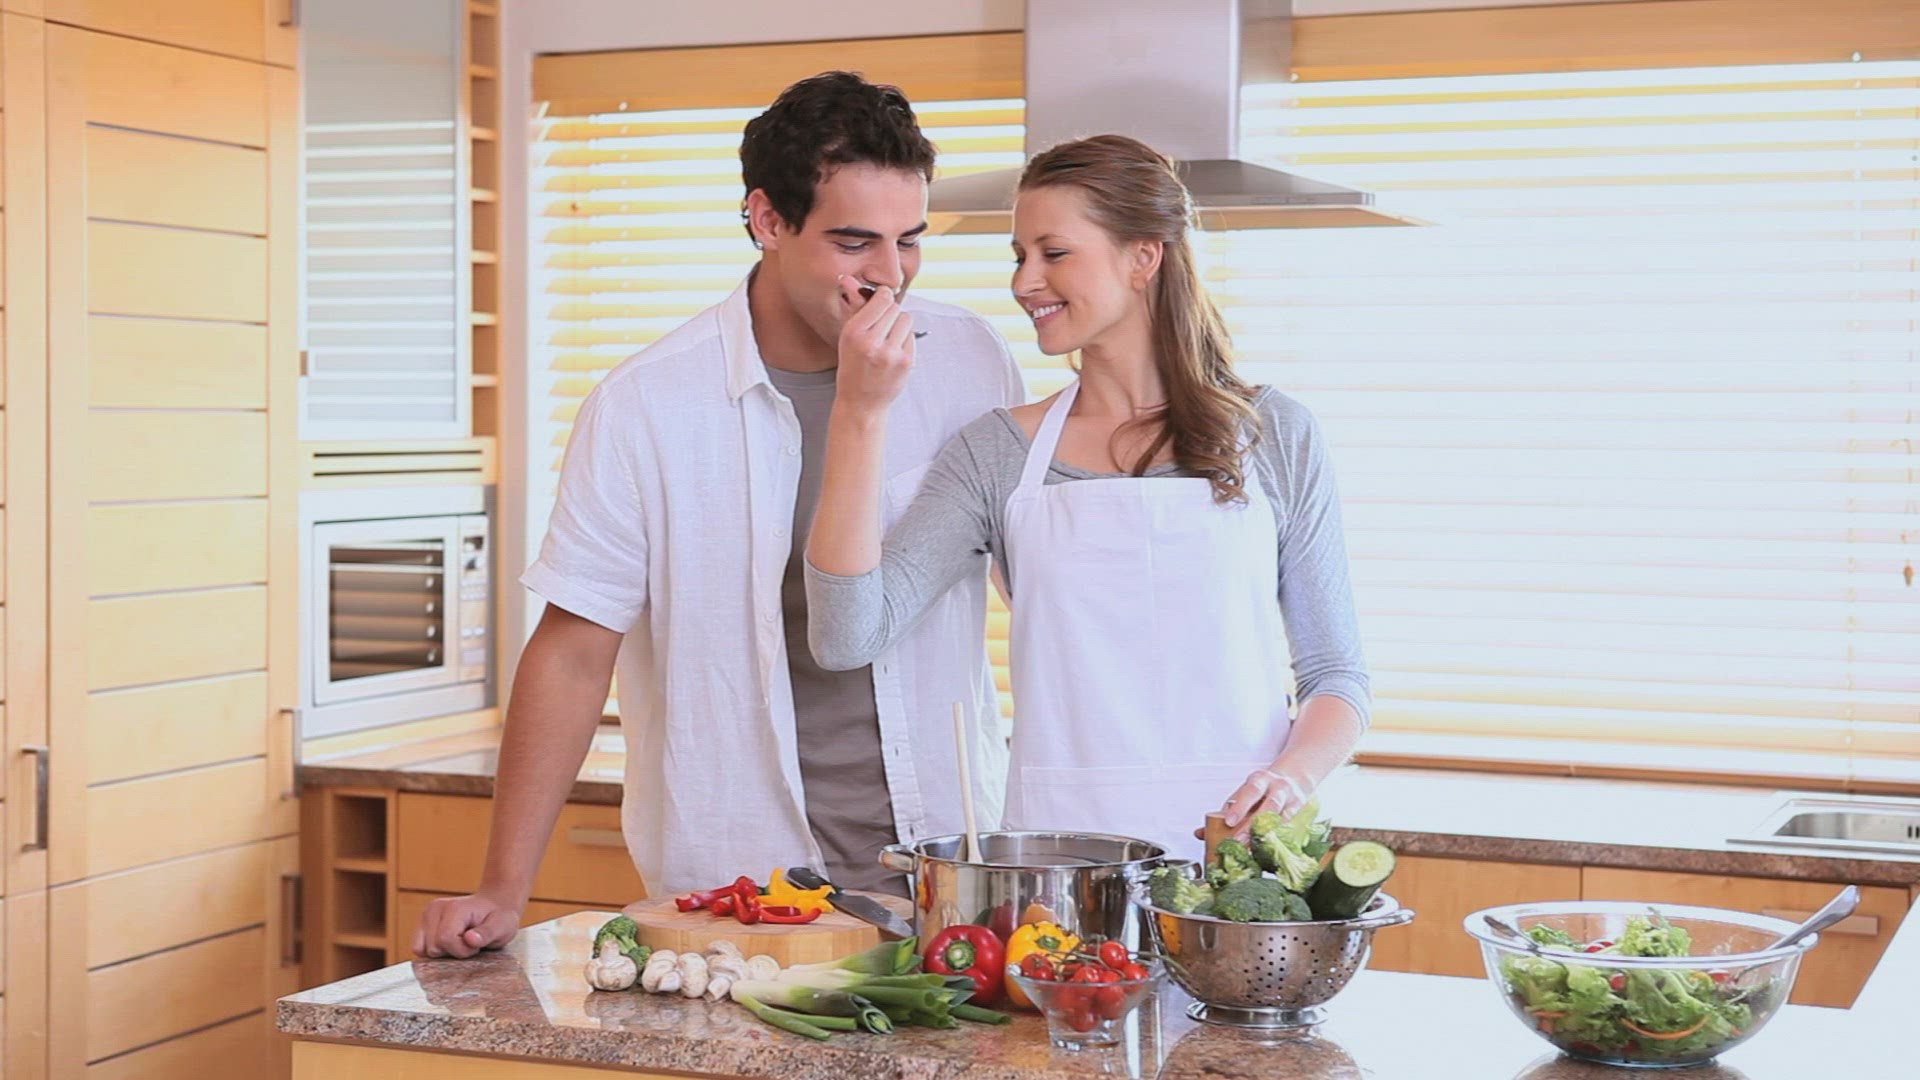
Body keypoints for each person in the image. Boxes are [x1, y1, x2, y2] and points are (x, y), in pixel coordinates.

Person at [413, 72, 1023, 958]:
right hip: (739, 889)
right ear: (768, 220)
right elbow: (574, 651)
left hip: (951, 872)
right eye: (854, 243)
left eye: (910, 242)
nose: (889, 277)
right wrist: (503, 887)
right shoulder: (647, 405)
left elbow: (1044, 589)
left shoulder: (969, 359)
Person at [805, 134, 1369, 858]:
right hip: (1062, 871)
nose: (1025, 282)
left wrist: (1288, 780)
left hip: (1237, 862)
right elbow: (847, 636)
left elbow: (1336, 676)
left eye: (1054, 253)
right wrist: (859, 412)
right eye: (1019, 256)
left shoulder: (1274, 433)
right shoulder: (998, 453)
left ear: (1143, 257)